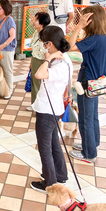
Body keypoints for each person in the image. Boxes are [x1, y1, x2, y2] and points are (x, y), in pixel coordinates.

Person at [30, 25, 72, 193]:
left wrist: (48, 58)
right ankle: (60, 175)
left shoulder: (60, 64)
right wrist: (52, 55)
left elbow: (39, 74)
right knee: (54, 143)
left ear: (51, 43)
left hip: (48, 110)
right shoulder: (65, 58)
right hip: (53, 108)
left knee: (45, 148)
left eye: (45, 43)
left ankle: (50, 184)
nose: (44, 47)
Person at [67, 5, 106, 163]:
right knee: (92, 117)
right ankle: (92, 144)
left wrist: (78, 27)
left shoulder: (93, 39)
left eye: (84, 18)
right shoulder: (105, 36)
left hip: (87, 84)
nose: (82, 20)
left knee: (85, 118)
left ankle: (89, 153)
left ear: (91, 20)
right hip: (97, 83)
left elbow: (69, 46)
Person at [27, 12, 51, 111]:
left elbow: (47, 53)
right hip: (35, 59)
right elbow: (34, 50)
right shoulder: (36, 33)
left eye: (36, 20)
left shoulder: (45, 35)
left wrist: (45, 65)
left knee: (39, 86)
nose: (33, 21)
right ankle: (34, 105)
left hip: (42, 62)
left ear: (41, 23)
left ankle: (38, 108)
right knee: (34, 84)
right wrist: (31, 63)